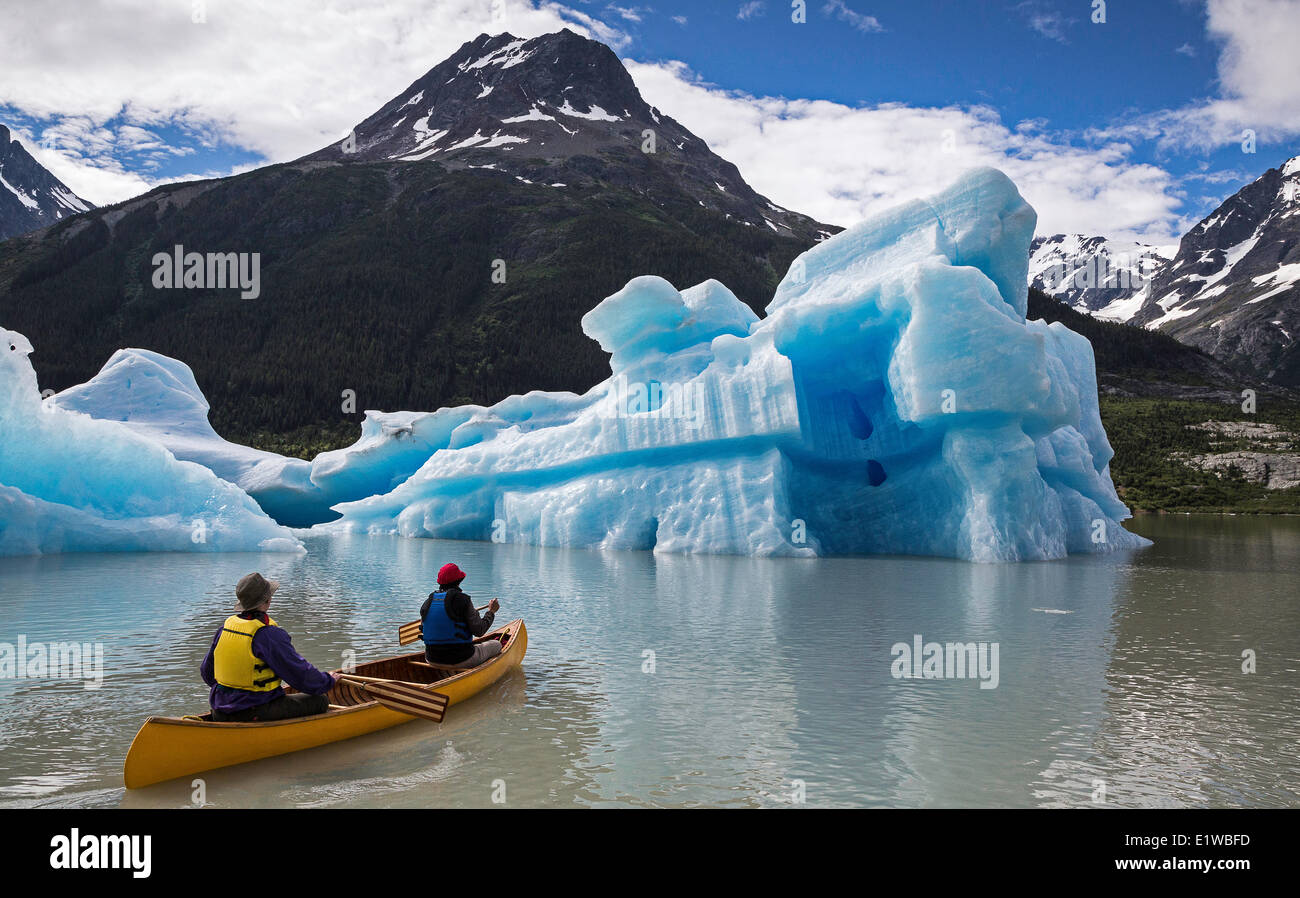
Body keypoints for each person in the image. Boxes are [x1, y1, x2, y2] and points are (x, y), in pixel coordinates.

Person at [200, 572, 340, 722]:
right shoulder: (268, 634)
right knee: (320, 700)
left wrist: (232, 695)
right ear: (267, 600)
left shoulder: (225, 629)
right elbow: (299, 675)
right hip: (252, 712)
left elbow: (207, 672)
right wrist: (327, 681)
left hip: (219, 711)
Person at [421, 563, 502, 669]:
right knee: (497, 645)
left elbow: (423, 628)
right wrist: (491, 612)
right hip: (461, 659)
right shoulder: (463, 600)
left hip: (431, 659)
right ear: (459, 581)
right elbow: (479, 631)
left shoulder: (428, 602)